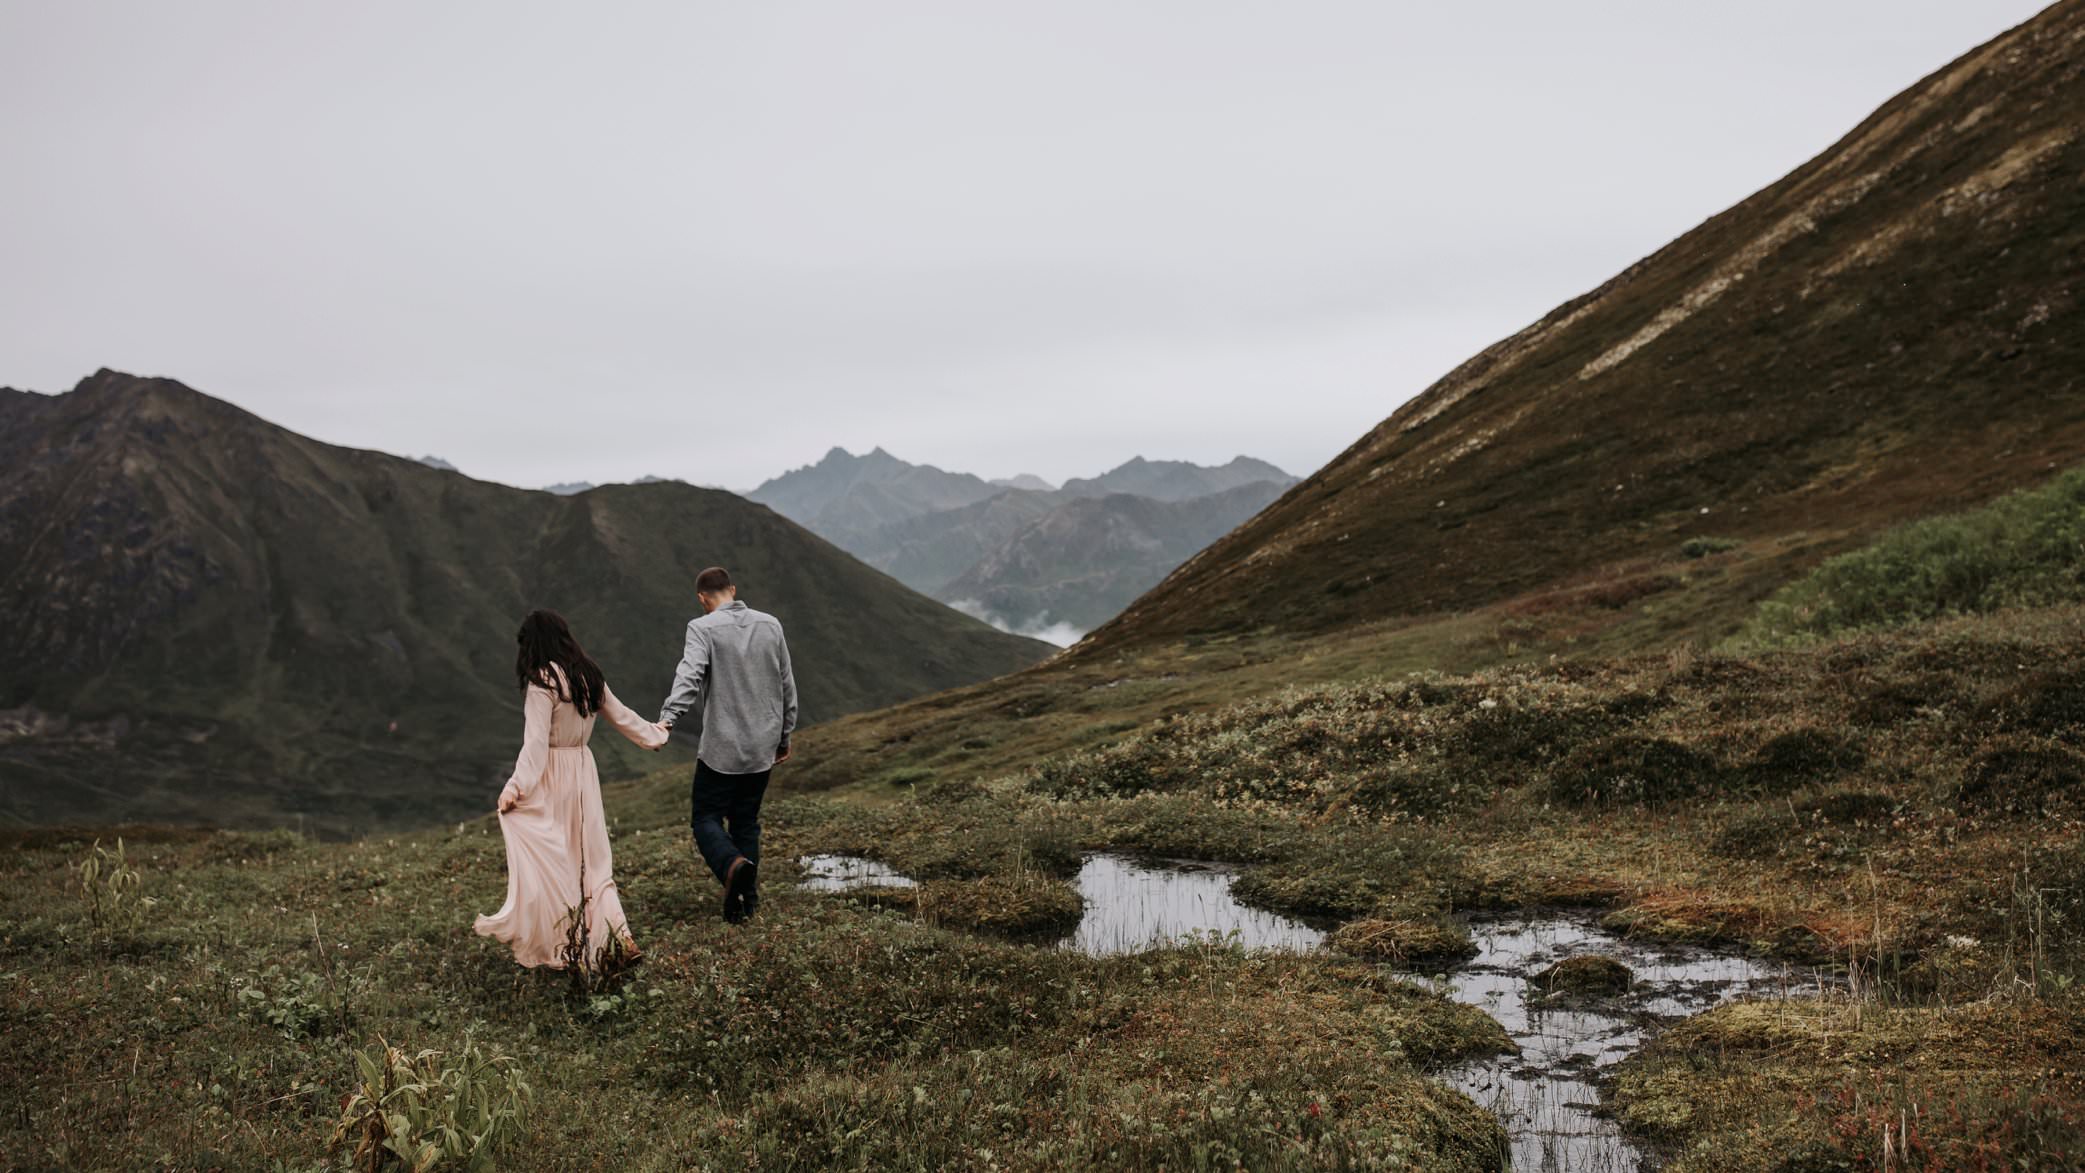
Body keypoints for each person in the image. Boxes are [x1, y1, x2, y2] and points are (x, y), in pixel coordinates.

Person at [475, 610, 668, 968]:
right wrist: (655, 734)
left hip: (551, 774)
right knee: (594, 862)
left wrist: (514, 788)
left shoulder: (543, 682)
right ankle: (619, 938)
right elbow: (622, 715)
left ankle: (568, 944)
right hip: (583, 770)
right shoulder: (588, 673)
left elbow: (534, 745)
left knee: (559, 862)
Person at [659, 566, 798, 923]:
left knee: (705, 817)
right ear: (733, 590)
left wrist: (668, 718)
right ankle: (745, 907)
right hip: (762, 746)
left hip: (722, 747)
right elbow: (786, 685)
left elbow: (688, 676)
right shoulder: (771, 624)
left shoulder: (701, 628)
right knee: (746, 822)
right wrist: (784, 736)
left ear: (702, 599)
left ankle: (732, 864)